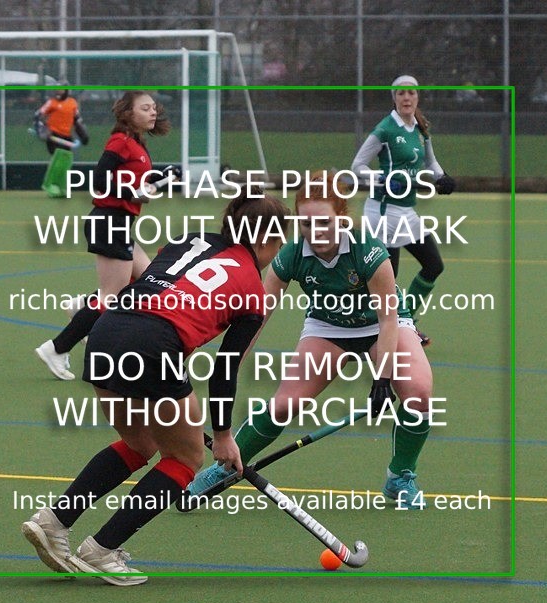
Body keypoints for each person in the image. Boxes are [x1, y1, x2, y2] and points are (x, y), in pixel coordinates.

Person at [21, 190, 288, 585]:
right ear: (270, 239)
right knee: (183, 459)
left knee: (139, 444)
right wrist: (224, 435)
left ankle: (54, 521)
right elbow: (225, 368)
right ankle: (103, 549)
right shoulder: (252, 287)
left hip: (106, 332)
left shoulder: (188, 238)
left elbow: (152, 281)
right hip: (153, 345)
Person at [188, 171, 437, 510]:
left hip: (379, 327)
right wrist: (229, 368)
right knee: (283, 405)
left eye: (324, 222)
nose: (315, 233)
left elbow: (388, 318)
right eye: (306, 224)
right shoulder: (291, 255)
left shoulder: (368, 250)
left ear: (342, 218)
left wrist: (383, 376)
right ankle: (225, 466)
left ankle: (400, 477)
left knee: (418, 391)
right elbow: (256, 316)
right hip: (328, 327)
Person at [35, 90, 174, 380]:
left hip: (120, 223)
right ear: (128, 113)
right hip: (109, 222)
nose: (152, 113)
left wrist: (159, 179)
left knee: (147, 277)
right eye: (145, 108)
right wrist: (131, 192)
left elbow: (134, 184)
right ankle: (57, 348)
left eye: (153, 108)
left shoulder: (136, 143)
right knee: (113, 297)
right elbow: (99, 180)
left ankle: (82, 309)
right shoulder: (120, 141)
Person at [351, 74, 456, 346]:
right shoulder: (385, 130)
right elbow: (357, 167)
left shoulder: (421, 127)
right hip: (383, 214)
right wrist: (383, 179)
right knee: (387, 280)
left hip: (406, 212)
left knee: (433, 266)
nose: (406, 98)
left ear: (417, 96)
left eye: (411, 93)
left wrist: (442, 177)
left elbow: (430, 162)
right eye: (400, 94)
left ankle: (405, 323)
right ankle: (365, 330)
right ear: (394, 98)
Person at [33, 84, 89, 154]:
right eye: (56, 89)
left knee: (64, 159)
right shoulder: (51, 102)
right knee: (57, 157)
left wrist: (83, 135)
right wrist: (41, 130)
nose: (58, 91)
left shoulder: (72, 103)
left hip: (66, 138)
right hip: (53, 136)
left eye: (60, 89)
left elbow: (77, 120)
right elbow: (37, 116)